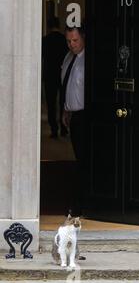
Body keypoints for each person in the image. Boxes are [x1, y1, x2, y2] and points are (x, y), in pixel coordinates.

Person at [61, 25, 86, 217]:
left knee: (83, 162)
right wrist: (65, 109)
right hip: (72, 115)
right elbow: (67, 86)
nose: (72, 44)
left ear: (82, 38)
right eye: (69, 41)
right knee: (77, 159)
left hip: (85, 117)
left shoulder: (88, 60)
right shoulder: (69, 58)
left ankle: (81, 204)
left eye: (75, 40)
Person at [42, 17, 69, 138]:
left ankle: (54, 129)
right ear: (59, 25)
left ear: (48, 26)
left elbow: (42, 57)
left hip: (49, 75)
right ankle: (64, 128)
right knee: (63, 101)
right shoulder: (64, 40)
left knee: (51, 103)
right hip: (62, 74)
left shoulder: (45, 40)